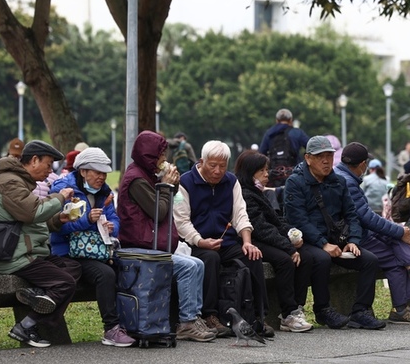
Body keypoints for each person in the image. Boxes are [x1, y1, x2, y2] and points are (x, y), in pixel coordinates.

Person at [116, 131, 216, 343]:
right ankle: (187, 322)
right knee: (188, 267)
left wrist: (174, 184)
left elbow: (167, 200)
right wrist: (168, 186)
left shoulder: (148, 175)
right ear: (149, 156)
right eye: (161, 155)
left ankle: (193, 318)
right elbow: (158, 211)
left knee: (197, 263)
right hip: (140, 250)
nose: (164, 160)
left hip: (155, 247)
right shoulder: (136, 180)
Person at [0, 140, 82, 348]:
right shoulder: (9, 182)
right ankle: (27, 325)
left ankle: (38, 297)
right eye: (48, 165)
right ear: (34, 160)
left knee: (73, 267)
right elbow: (32, 212)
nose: (49, 171)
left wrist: (58, 220)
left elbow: (30, 219)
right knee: (65, 282)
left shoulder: (19, 181)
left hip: (26, 251)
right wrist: (59, 198)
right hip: (15, 256)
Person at [284, 136, 386, 330]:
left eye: (329, 156)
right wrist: (323, 243)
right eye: (320, 156)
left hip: (336, 240)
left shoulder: (338, 181)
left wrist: (353, 240)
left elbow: (351, 214)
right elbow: (298, 220)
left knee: (369, 260)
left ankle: (360, 312)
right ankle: (322, 310)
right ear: (308, 158)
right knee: (322, 259)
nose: (326, 161)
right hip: (307, 240)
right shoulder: (295, 183)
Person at [173, 140, 270, 338]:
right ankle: (210, 315)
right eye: (213, 165)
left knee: (252, 256)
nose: (218, 171)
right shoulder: (185, 182)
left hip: (226, 241)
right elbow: (181, 222)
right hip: (194, 243)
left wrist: (247, 241)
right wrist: (200, 240)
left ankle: (259, 315)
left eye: (222, 166)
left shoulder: (231, 181)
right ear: (201, 161)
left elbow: (240, 214)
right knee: (210, 258)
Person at [334, 142, 410, 324]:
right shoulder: (347, 182)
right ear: (363, 164)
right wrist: (398, 231)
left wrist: (397, 231)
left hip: (355, 232)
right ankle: (405, 303)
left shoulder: (343, 175)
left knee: (397, 236)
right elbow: (365, 217)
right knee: (397, 254)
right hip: (352, 237)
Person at [49, 147, 135, 347]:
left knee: (128, 268)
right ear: (83, 172)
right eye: (97, 172)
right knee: (105, 274)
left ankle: (131, 324)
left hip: (97, 249)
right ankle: (111, 329)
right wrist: (87, 220)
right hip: (69, 252)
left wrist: (113, 227)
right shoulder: (64, 190)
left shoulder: (104, 191)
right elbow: (58, 227)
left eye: (104, 173)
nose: (101, 177)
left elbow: (114, 217)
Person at [234, 150, 314, 332]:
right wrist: (288, 247)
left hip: (268, 238)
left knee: (306, 257)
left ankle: (297, 308)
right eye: (261, 170)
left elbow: (276, 221)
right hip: (253, 240)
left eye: (267, 169)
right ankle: (288, 313)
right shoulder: (245, 193)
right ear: (249, 172)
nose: (266, 174)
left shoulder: (258, 192)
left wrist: (292, 234)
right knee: (285, 261)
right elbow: (261, 228)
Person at [258, 109, 310, 187]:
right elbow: (311, 147)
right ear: (290, 120)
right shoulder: (297, 133)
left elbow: (261, 153)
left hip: (274, 176)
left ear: (277, 121)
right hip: (294, 174)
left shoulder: (269, 134)